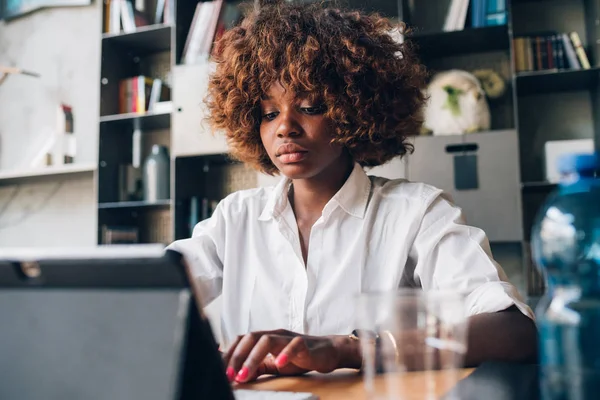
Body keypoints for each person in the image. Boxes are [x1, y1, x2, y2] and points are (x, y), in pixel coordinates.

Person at [168, 0, 537, 384]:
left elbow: (513, 333)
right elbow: (150, 287)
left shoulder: (417, 213)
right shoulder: (235, 218)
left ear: (353, 111)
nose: (285, 128)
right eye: (269, 113)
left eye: (310, 106)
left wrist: (349, 349)